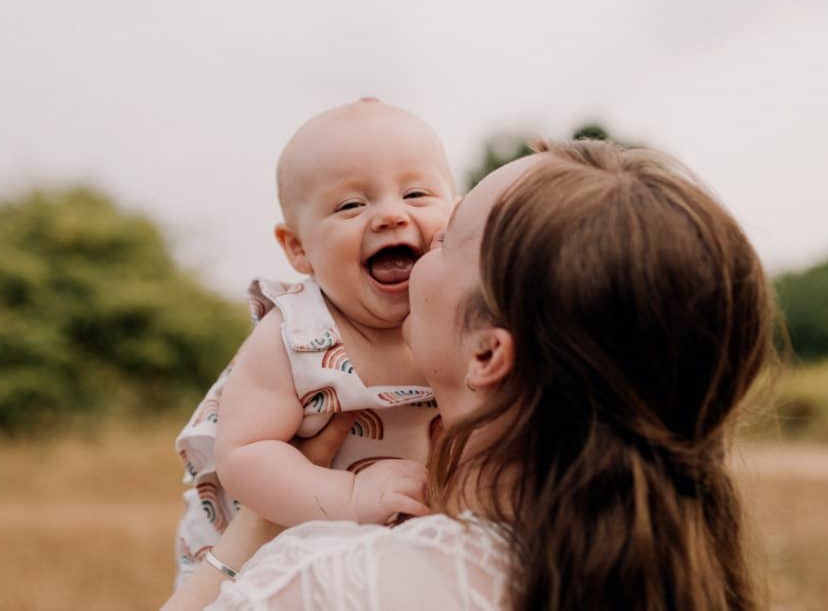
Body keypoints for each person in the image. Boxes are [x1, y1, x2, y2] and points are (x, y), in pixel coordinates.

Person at [163, 138, 774, 610]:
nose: (411, 234)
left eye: (446, 236)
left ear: (486, 355)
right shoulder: (678, 579)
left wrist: (250, 535)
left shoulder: (333, 583)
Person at [172, 98, 455, 585]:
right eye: (351, 205)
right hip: (264, 554)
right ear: (298, 247)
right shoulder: (297, 334)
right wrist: (348, 498)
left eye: (415, 194)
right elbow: (247, 453)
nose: (390, 215)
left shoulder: (465, 315)